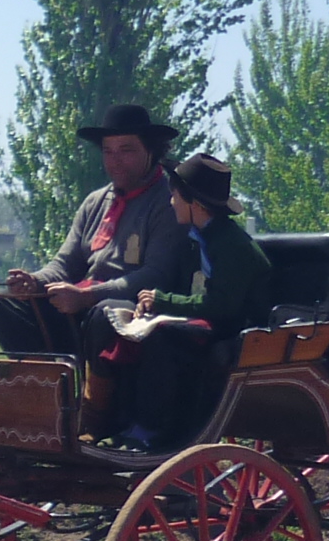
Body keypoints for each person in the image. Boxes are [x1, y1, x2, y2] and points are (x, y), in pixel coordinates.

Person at [0, 104, 182, 356]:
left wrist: (88, 296)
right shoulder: (95, 202)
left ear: (150, 151)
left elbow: (155, 275)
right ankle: (50, 387)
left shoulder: (168, 202)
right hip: (81, 305)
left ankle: (96, 393)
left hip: (133, 313)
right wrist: (35, 282)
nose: (115, 161)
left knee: (107, 312)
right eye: (108, 151)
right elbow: (66, 263)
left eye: (126, 150)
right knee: (1, 306)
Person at [116, 152, 272, 449]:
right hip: (209, 323)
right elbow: (186, 291)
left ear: (195, 203)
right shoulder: (195, 238)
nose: (171, 201)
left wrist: (163, 301)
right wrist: (150, 305)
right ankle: (124, 421)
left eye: (175, 195)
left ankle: (153, 430)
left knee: (162, 340)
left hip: (238, 331)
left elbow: (222, 306)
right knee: (134, 335)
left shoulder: (233, 245)